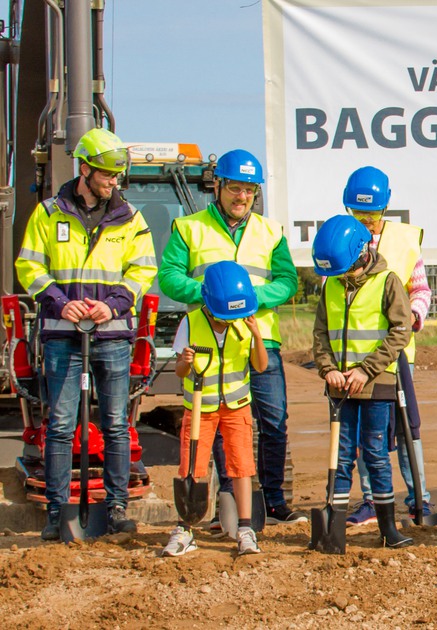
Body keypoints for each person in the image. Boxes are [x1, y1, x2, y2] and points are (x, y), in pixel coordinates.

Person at [16, 128, 157, 540]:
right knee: (60, 425)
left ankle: (116, 508)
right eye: (107, 174)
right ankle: (57, 514)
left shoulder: (131, 218)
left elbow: (142, 270)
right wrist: (60, 302)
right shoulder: (48, 214)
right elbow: (29, 266)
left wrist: (112, 305)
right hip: (63, 335)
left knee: (115, 425)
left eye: (117, 175)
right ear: (85, 169)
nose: (114, 182)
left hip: (112, 336)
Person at [158, 149, 303, 526]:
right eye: (235, 188)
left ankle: (274, 501)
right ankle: (229, 503)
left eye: (249, 190)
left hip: (259, 339)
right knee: (221, 421)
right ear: (218, 186)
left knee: (273, 421)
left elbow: (287, 281)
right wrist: (211, 294)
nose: (242, 197)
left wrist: (252, 298)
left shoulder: (271, 232)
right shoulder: (188, 228)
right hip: (211, 340)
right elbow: (169, 278)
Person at [337, 166, 435, 528]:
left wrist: (414, 315)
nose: (366, 220)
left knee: (409, 426)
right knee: (366, 432)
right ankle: (370, 500)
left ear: (385, 207)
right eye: (359, 212)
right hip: (355, 356)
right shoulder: (341, 239)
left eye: (373, 212)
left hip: (397, 354)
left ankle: (419, 499)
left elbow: (420, 289)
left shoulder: (405, 240)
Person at [311, 215, 414, 547]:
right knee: (340, 456)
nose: (340, 276)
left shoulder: (387, 282)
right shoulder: (330, 285)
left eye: (343, 269)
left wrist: (365, 370)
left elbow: (401, 332)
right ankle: (334, 532)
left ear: (361, 252)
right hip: (339, 387)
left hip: (376, 385)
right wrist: (327, 369)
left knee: (375, 454)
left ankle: (388, 530)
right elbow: (320, 334)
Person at [162, 262, 268, 556]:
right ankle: (186, 527)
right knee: (192, 467)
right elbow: (180, 371)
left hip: (237, 408)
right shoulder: (190, 323)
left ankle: (245, 528)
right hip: (200, 409)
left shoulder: (245, 322)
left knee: (241, 465)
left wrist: (257, 336)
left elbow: (260, 365)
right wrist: (185, 361)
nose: (229, 320)